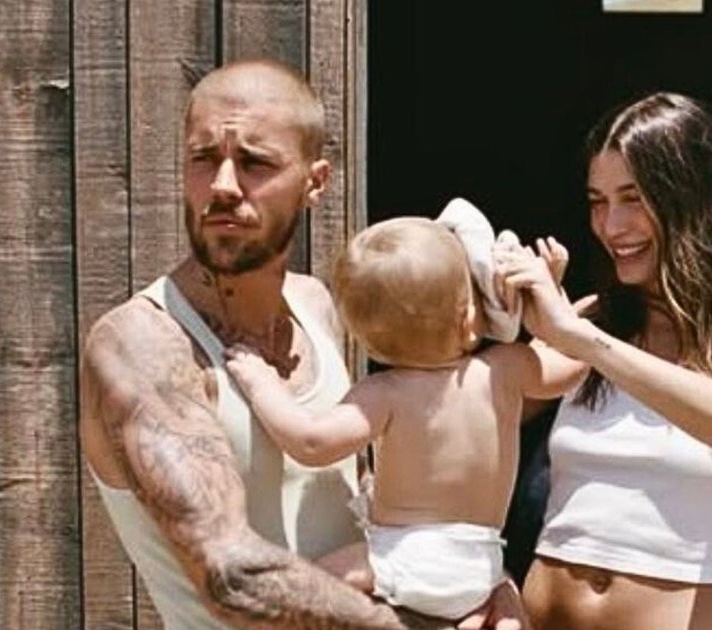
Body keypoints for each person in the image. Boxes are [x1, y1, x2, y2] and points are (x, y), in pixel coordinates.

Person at [80, 59, 519, 629]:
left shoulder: (316, 306)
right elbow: (232, 575)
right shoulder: (142, 343)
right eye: (203, 158)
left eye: (255, 163)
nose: (223, 185)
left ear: (316, 182)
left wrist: (486, 585)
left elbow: (380, 493)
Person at [493, 92, 712, 630]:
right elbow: (480, 412)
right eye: (597, 201)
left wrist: (583, 341)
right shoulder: (592, 319)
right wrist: (495, 314)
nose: (610, 225)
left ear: (691, 198)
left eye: (633, 198)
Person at [223, 206, 583, 623]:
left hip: (404, 558)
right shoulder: (505, 369)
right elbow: (571, 366)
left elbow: (311, 441)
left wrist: (260, 383)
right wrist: (551, 297)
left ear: (368, 343)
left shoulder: (384, 393)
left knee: (302, 587)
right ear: (470, 319)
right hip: (480, 568)